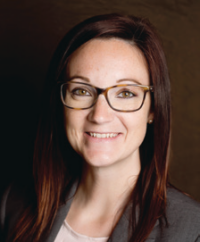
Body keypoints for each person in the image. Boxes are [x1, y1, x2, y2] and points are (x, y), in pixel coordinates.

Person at [0, 13, 200, 242]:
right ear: (61, 102)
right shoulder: (13, 204)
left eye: (126, 93)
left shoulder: (193, 231)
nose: (100, 116)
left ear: (153, 109)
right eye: (82, 91)